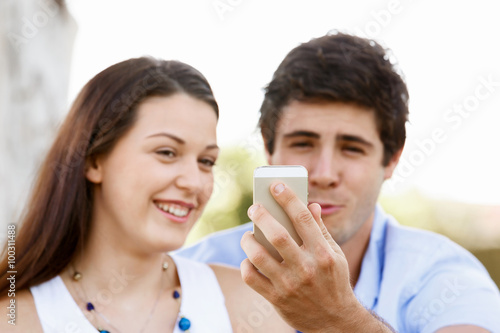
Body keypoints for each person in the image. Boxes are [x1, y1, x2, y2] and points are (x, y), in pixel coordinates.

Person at [176, 32, 500, 332]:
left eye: (352, 148)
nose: (325, 173)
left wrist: (337, 317)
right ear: (268, 148)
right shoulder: (194, 269)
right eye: (303, 143)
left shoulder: (444, 277)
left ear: (391, 160)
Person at [0, 57, 294, 332]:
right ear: (93, 161)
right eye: (166, 152)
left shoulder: (251, 306)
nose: (194, 182)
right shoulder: (13, 317)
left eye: (206, 161)